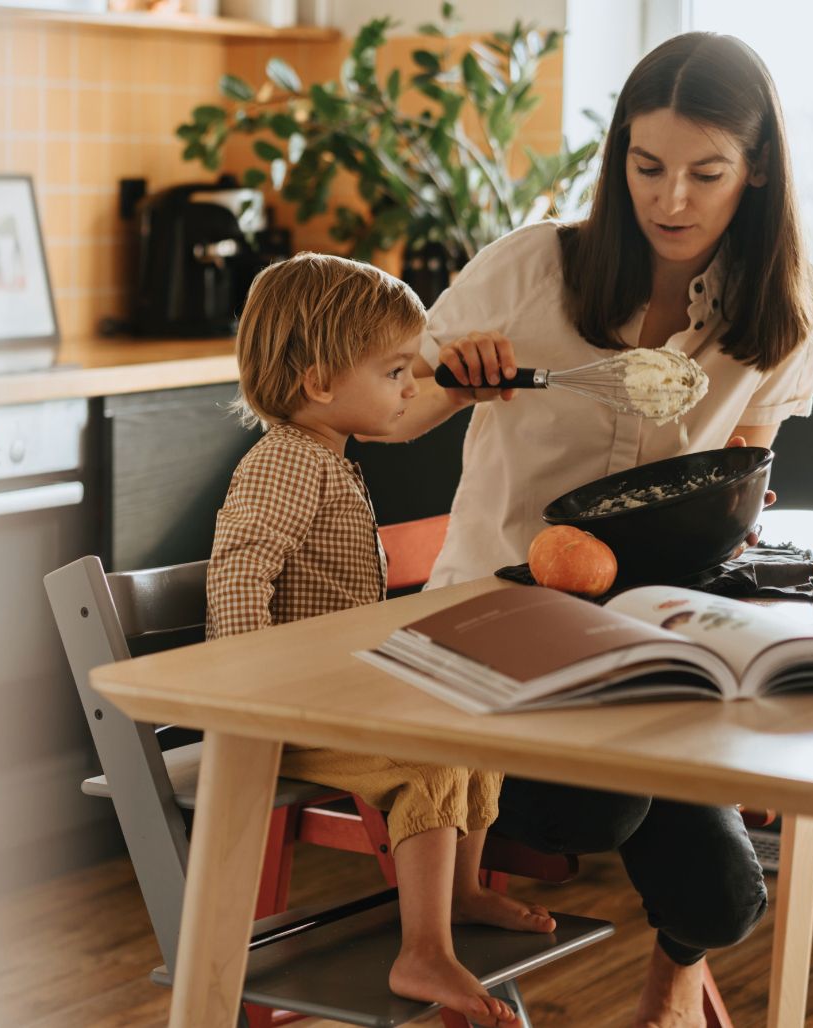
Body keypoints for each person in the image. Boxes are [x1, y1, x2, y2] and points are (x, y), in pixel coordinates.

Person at [371, 32, 813, 1027]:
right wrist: (447, 374)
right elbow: (387, 411)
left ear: (755, 173)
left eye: (707, 173)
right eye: (648, 166)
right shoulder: (532, 270)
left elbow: (742, 468)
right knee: (594, 808)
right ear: (619, 159)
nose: (672, 201)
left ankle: (670, 985)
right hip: (491, 628)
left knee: (727, 895)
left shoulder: (779, 311)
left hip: (645, 633)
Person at [206, 252, 555, 1028]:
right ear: (323, 383)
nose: (410, 386)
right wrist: (250, 691)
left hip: (328, 697)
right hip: (284, 715)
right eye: (395, 370)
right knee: (428, 754)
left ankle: (461, 894)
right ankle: (422, 947)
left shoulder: (325, 458)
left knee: (471, 725)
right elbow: (237, 573)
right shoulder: (287, 466)